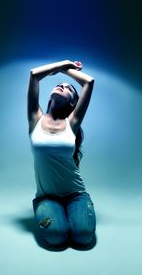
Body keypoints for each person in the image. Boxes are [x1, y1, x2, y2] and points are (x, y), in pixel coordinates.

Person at [27, 60, 96, 249]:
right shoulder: (35, 118)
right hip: (46, 196)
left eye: (67, 89)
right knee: (56, 237)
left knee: (83, 237)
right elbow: (34, 74)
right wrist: (64, 62)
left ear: (73, 101)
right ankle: (51, 210)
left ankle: (74, 211)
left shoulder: (72, 123)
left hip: (75, 195)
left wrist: (66, 71)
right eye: (59, 84)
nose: (61, 85)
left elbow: (89, 82)